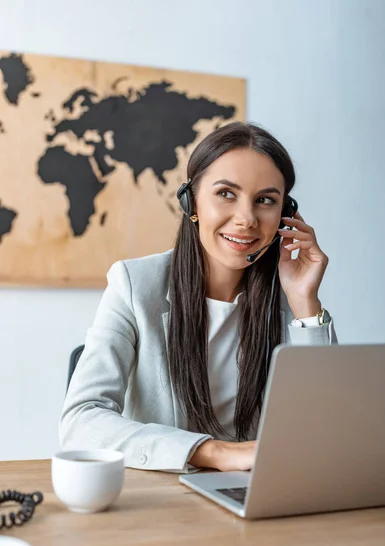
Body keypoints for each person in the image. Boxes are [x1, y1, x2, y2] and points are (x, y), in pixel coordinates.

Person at [59, 121, 337, 473]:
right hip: (163, 500)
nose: (246, 219)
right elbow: (81, 421)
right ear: (191, 202)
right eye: (226, 193)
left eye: (265, 200)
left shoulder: (288, 301)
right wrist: (214, 453)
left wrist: (306, 303)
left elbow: (328, 428)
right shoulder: (134, 284)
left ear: (284, 215)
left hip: (257, 495)